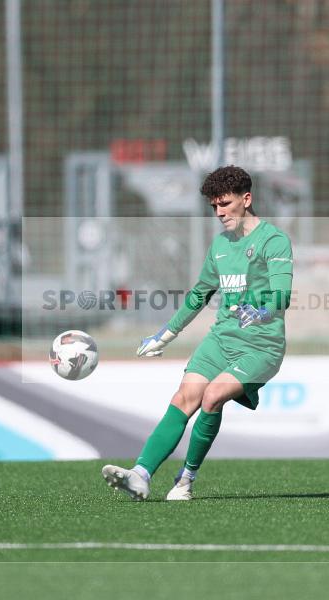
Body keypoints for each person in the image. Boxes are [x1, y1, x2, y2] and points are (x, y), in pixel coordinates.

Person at [102, 165, 293, 501]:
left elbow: (282, 294)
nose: (219, 213)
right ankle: (140, 475)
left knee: (212, 395)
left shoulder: (273, 241)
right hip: (221, 339)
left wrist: (261, 310)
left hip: (261, 347)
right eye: (214, 207)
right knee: (183, 398)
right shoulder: (220, 245)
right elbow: (199, 294)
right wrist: (165, 335)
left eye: (225, 204)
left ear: (246, 199)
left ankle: (185, 480)